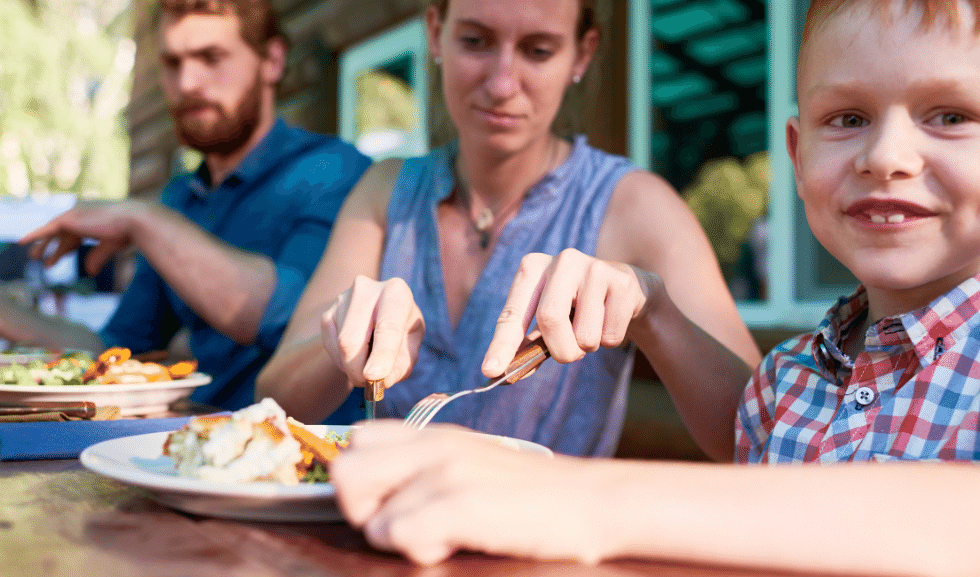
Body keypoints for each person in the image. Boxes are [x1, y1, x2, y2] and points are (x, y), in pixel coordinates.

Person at [327, 0, 980, 577]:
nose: (888, 156)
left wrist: (573, 499)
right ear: (797, 152)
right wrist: (650, 308)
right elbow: (740, 435)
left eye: (951, 116)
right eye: (848, 118)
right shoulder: (792, 381)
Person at [256, 0, 761, 458]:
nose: (501, 83)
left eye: (538, 51)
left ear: (581, 56)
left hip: (545, 548)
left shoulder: (636, 206)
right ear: (435, 32)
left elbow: (761, 434)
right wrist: (342, 350)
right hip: (383, 540)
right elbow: (274, 397)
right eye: (475, 41)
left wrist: (655, 313)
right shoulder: (385, 192)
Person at [1, 0, 371, 412]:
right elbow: (116, 349)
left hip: (308, 456)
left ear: (272, 60)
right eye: (172, 62)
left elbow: (292, 318)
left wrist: (141, 218)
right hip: (197, 444)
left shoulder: (336, 171)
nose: (188, 82)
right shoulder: (181, 198)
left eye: (211, 58)